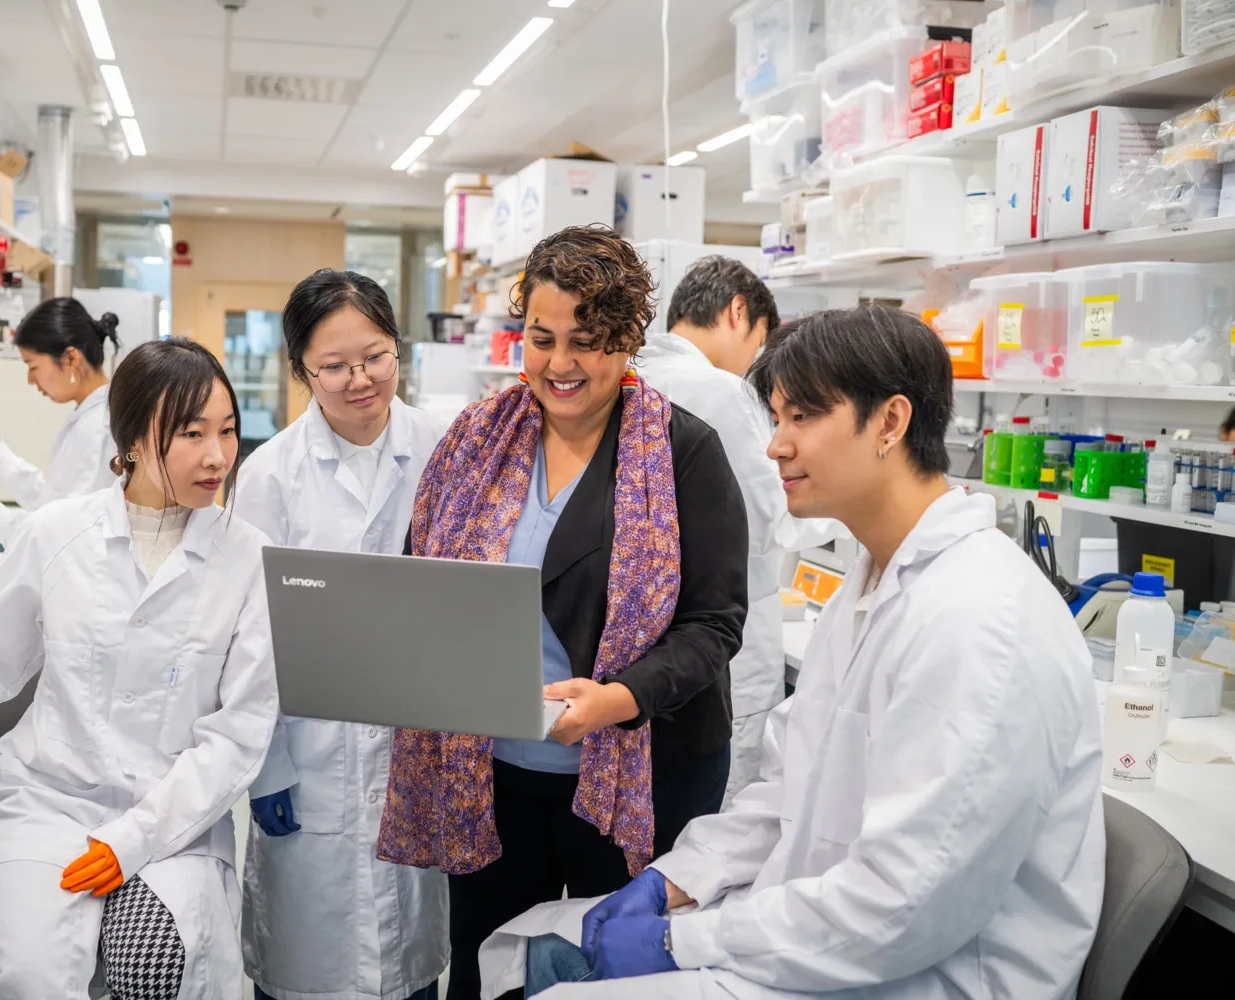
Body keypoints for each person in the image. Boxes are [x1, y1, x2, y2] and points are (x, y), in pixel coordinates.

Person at [509, 306, 1105, 999]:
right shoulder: (873, 583)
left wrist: (684, 939)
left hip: (928, 973)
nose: (775, 446)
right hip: (831, 934)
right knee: (531, 945)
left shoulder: (979, 619)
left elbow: (903, 908)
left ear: (890, 422)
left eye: (804, 418)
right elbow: (788, 787)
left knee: (560, 990)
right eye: (777, 417)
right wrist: (674, 880)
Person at [377, 225, 750, 1000]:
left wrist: (618, 698)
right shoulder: (477, 441)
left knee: (603, 972)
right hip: (493, 776)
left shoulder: (683, 452)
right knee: (489, 965)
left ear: (626, 340)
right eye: (541, 339)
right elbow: (423, 584)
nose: (559, 364)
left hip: (637, 778)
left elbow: (715, 625)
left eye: (586, 341)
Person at [0, 338, 280, 999]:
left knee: (153, 971)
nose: (218, 455)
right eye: (192, 433)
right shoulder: (57, 535)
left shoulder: (249, 557)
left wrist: (133, 839)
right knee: (29, 977)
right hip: (46, 804)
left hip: (169, 819)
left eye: (227, 431)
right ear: (135, 439)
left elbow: (237, 734)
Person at [234, 269, 449, 1000]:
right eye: (334, 366)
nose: (360, 380)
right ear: (302, 371)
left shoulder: (444, 449)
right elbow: (249, 636)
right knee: (307, 970)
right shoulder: (271, 476)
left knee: (413, 966)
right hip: (310, 751)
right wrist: (265, 767)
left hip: (418, 749)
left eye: (376, 356)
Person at [636, 256, 840, 803]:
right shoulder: (721, 391)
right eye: (763, 343)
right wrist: (849, 502)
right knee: (720, 831)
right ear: (738, 310)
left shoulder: (635, 373)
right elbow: (769, 517)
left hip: (649, 653)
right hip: (724, 650)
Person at [0, 297, 120, 545]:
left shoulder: (99, 427)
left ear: (71, 358)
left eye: (32, 365)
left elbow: (69, 535)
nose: (30, 380)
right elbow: (56, 502)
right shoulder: (89, 417)